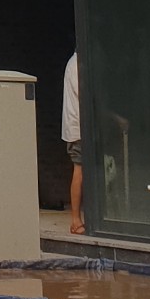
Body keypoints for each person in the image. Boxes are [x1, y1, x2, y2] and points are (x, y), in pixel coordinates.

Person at [63, 50, 84, 235]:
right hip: (78, 128)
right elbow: (84, 97)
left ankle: (77, 219)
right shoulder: (77, 65)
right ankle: (76, 220)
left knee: (80, 170)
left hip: (76, 127)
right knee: (79, 170)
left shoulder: (74, 63)